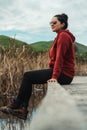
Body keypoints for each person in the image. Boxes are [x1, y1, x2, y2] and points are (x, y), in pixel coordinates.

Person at [0, 13, 75, 120]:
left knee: (28, 76)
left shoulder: (63, 36)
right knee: (29, 76)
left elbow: (60, 59)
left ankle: (20, 106)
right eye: (50, 23)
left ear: (63, 24)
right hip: (63, 73)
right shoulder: (60, 36)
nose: (51, 25)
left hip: (64, 74)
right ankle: (21, 107)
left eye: (54, 22)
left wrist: (54, 77)